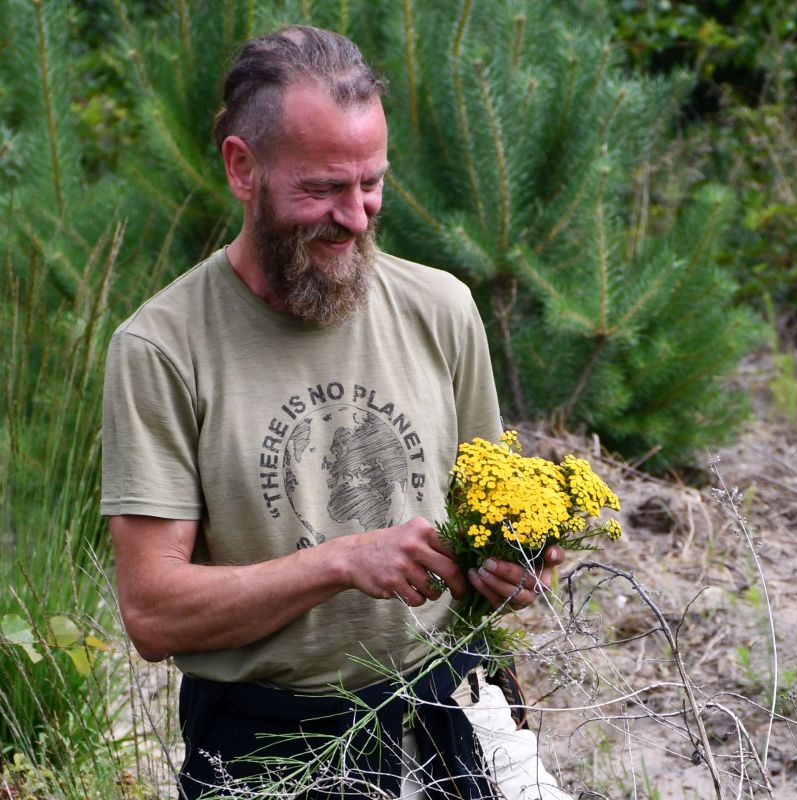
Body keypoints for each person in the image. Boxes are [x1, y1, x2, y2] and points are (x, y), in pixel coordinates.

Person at [102, 24, 566, 800]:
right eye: (321, 190)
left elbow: (488, 524)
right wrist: (342, 561)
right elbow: (153, 613)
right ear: (242, 168)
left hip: (450, 710)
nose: (355, 216)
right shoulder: (163, 346)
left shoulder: (441, 309)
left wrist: (512, 566)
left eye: (371, 183)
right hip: (267, 746)